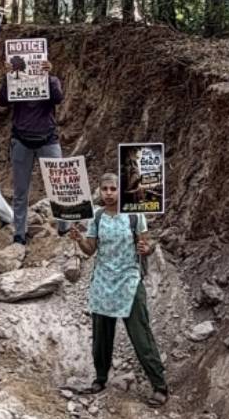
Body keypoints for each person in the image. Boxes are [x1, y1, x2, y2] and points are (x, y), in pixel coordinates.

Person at [66, 172, 168, 406]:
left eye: (113, 189)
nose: (109, 193)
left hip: (129, 281)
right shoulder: (97, 217)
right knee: (101, 335)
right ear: (100, 192)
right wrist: (79, 239)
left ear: (120, 191)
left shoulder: (135, 216)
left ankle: (159, 385)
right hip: (103, 282)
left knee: (141, 335)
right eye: (105, 189)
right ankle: (100, 378)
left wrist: (147, 248)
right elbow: (90, 250)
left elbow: (147, 243)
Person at [0, 59, 66, 245]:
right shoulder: (15, 82)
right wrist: (8, 76)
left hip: (48, 139)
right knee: (20, 190)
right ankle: (19, 233)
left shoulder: (51, 80)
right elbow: (2, 101)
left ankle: (64, 226)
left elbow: (58, 98)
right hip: (21, 140)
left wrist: (49, 76)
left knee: (59, 185)